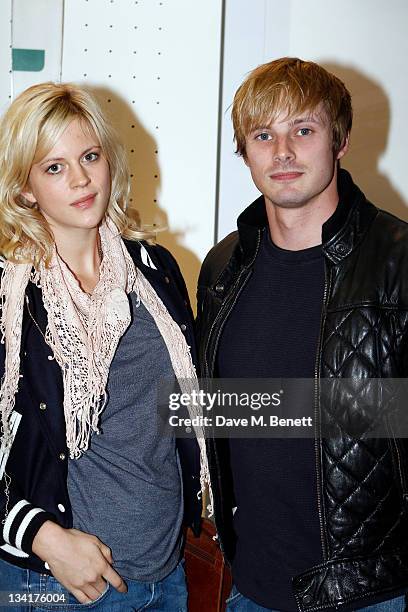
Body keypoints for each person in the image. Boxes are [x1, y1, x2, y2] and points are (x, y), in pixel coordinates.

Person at [196, 57, 408, 611]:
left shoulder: (399, 261)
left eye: (303, 130)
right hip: (253, 588)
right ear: (244, 150)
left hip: (374, 594)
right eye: (263, 134)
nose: (283, 152)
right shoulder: (223, 268)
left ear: (339, 140)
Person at [0, 82, 209, 611]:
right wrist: (44, 538)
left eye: (90, 156)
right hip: (58, 585)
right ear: (24, 188)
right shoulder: (7, 295)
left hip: (167, 574)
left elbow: (180, 409)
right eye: (54, 167)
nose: (80, 178)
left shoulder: (154, 270)